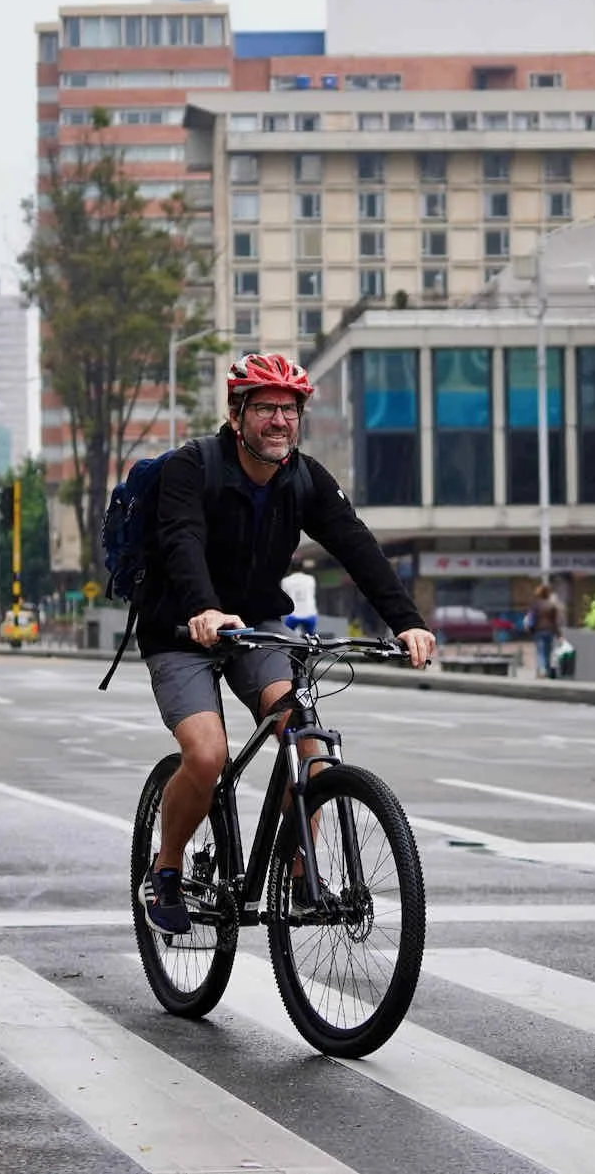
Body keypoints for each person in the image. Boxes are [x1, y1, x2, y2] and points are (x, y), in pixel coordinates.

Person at [135, 352, 437, 936]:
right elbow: (181, 541)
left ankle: (299, 880)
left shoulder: (305, 478)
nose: (280, 421)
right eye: (267, 408)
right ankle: (166, 869)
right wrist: (203, 608)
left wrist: (406, 620)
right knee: (206, 755)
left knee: (310, 743)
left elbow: (356, 546)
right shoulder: (190, 468)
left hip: (258, 628)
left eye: (290, 410)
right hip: (181, 628)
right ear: (236, 413)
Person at [526, 582, 565, 679]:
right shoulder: (551, 606)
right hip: (549, 631)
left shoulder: (535, 605)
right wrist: (559, 635)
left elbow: (531, 619)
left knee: (540, 652)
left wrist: (530, 630)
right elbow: (555, 622)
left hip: (539, 631)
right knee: (548, 652)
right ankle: (547, 671)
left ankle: (541, 670)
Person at [279, 558, 318, 634]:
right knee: (311, 639)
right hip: (310, 614)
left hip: (293, 616)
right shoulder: (310, 579)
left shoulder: (286, 581)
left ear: (290, 568)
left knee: (287, 636)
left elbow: (284, 597)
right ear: (302, 568)